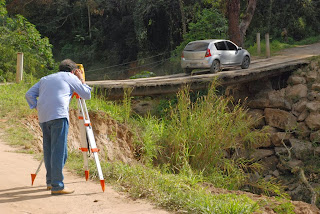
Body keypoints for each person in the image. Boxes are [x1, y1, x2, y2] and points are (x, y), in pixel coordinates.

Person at [25, 59, 91, 195]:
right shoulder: (70, 77)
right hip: (58, 116)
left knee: (49, 149)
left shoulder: (45, 78)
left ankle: (50, 182)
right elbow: (86, 94)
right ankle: (57, 186)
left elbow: (29, 94)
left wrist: (37, 107)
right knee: (59, 151)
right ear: (73, 71)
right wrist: (81, 79)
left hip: (44, 116)